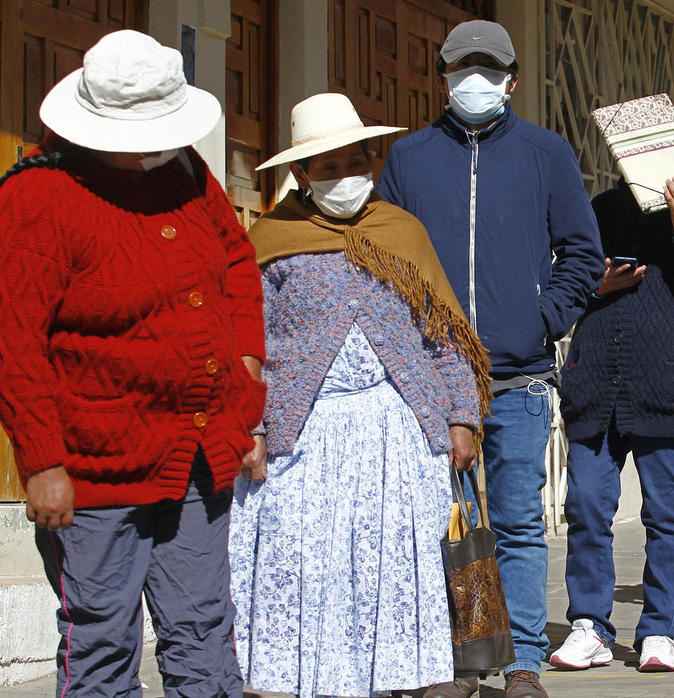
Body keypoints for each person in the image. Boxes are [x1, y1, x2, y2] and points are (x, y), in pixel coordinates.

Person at [0, 30, 266, 696]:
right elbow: (16, 340)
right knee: (100, 641)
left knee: (204, 628)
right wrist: (41, 462)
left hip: (198, 455)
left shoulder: (182, 171)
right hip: (93, 470)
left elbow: (236, 262)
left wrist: (246, 373)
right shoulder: (38, 197)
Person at [228, 93, 488, 697]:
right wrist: (252, 428)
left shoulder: (402, 232)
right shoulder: (271, 241)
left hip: (398, 430)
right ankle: (309, 680)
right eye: (329, 168)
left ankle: (410, 675)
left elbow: (443, 333)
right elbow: (249, 340)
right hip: (303, 436)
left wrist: (461, 416)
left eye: (356, 163)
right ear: (300, 175)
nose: (346, 178)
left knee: (397, 559)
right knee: (310, 562)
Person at [377, 20, 604, 698]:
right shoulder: (408, 159)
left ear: (511, 79)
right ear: (441, 76)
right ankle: (456, 661)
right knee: (439, 527)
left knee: (516, 524)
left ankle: (523, 662)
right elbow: (385, 262)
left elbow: (582, 254)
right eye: (461, 67)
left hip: (521, 379)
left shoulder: (547, 153)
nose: (473, 79)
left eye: (487, 67)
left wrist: (543, 317)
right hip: (429, 380)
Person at [548, 179, 674, 674]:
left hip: (665, 384)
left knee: (666, 514)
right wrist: (595, 286)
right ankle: (589, 625)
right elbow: (568, 281)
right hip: (596, 384)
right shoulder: (603, 206)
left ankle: (658, 629)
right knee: (585, 505)